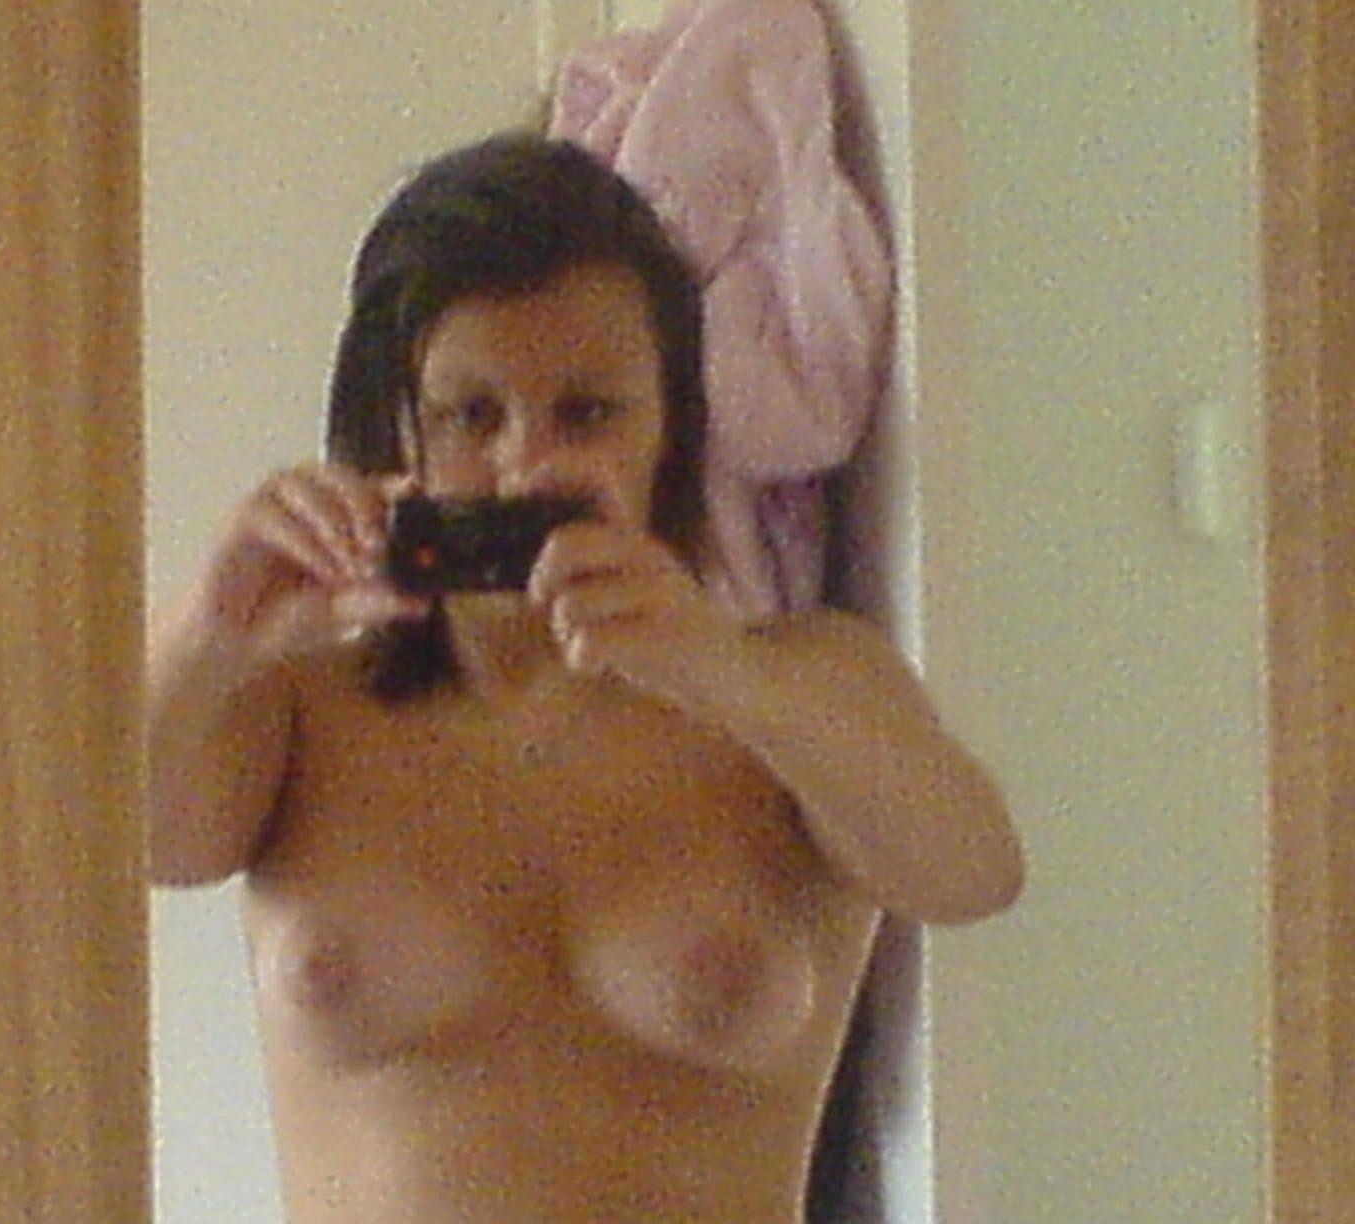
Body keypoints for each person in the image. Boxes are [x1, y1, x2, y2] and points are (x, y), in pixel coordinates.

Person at [148, 132, 1023, 1224]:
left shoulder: (800, 685)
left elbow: (974, 873)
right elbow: (74, 856)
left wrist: (726, 679)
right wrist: (206, 630)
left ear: (670, 426)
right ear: (395, 430)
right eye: (471, 415)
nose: (526, 465)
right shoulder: (291, 707)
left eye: (589, 411)